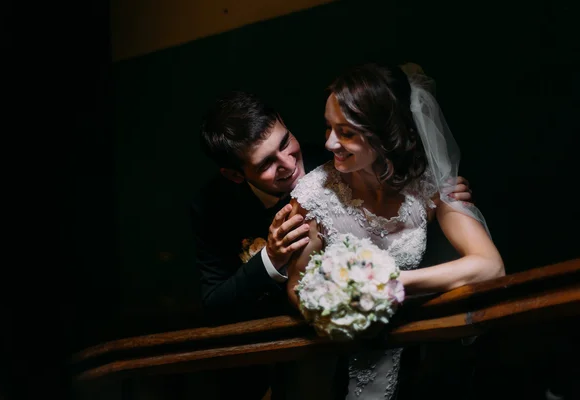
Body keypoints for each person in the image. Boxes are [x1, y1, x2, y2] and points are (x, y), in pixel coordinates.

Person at [191, 84, 475, 399]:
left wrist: (435, 193)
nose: (287, 163)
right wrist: (269, 260)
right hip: (287, 356)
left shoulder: (335, 161)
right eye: (266, 164)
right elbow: (215, 305)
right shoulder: (212, 207)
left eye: (286, 142)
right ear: (234, 175)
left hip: (392, 340)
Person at [285, 63, 505, 400]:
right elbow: (297, 286)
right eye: (329, 127)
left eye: (346, 132)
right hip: (341, 365)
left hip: (419, 359)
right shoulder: (314, 196)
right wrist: (337, 312)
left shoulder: (425, 181)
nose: (329, 142)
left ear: (384, 133)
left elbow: (490, 266)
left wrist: (390, 282)